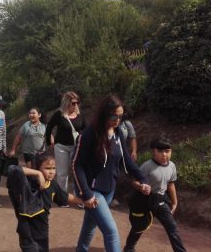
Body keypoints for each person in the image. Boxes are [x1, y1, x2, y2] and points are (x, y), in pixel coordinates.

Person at [72, 94, 150, 252]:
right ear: (104, 115)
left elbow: (125, 159)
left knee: (90, 224)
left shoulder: (118, 132)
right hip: (91, 189)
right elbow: (76, 165)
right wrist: (86, 194)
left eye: (121, 116)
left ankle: (81, 249)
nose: (118, 120)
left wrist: (143, 178)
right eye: (114, 116)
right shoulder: (89, 134)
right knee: (111, 232)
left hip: (109, 189)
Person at [8, 149, 84, 252]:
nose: (52, 171)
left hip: (43, 234)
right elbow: (13, 169)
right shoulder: (29, 182)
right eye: (47, 168)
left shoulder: (53, 185)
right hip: (27, 235)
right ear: (38, 168)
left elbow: (65, 197)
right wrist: (38, 174)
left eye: (54, 168)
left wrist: (83, 201)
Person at [123, 137, 187, 252]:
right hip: (143, 200)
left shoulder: (172, 166)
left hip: (160, 201)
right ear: (153, 152)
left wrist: (174, 202)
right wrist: (141, 187)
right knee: (139, 226)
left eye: (167, 151)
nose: (164, 155)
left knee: (172, 228)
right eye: (160, 151)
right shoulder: (147, 166)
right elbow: (134, 182)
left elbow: (171, 184)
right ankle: (129, 248)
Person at [45, 91, 86, 193]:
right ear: (66, 103)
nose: (76, 105)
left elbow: (86, 129)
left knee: (78, 172)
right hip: (61, 147)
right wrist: (49, 142)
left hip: (77, 147)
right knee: (62, 173)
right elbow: (49, 126)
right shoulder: (59, 114)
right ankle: (62, 196)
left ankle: (79, 196)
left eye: (77, 103)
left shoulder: (81, 115)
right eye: (73, 103)